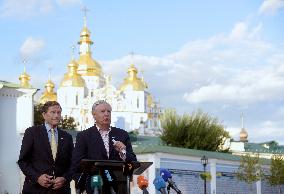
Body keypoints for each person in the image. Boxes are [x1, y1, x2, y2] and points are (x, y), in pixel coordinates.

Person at [70, 100, 137, 194]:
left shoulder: (122, 134)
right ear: (94, 115)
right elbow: (76, 164)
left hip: (119, 187)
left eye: (109, 111)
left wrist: (123, 151)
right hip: (94, 186)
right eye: (102, 111)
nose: (106, 114)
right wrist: (82, 186)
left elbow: (133, 162)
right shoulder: (84, 136)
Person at [18, 101, 74, 194]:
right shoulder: (32, 133)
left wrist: (65, 178)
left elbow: (73, 163)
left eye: (59, 112)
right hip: (35, 189)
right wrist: (37, 177)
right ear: (44, 114)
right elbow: (23, 161)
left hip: (60, 190)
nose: (56, 115)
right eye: (53, 112)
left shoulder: (67, 137)